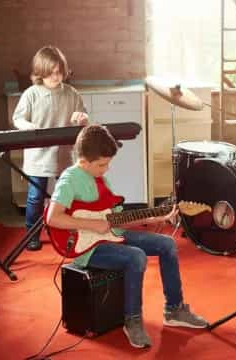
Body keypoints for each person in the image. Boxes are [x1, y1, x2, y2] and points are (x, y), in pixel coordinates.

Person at [45, 124, 208, 348]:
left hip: (111, 235)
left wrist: (156, 217)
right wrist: (92, 223)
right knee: (135, 257)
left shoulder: (101, 179)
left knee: (167, 244)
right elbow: (53, 218)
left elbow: (116, 220)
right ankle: (132, 320)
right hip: (86, 248)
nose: (107, 169)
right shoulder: (69, 179)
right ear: (84, 161)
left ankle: (174, 309)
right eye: (102, 164)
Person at [13, 45, 88, 251]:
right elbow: (18, 118)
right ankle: (32, 235)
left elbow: (83, 115)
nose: (57, 77)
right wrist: (29, 127)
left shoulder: (71, 93)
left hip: (64, 155)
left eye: (60, 72)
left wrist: (82, 118)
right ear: (41, 72)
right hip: (39, 156)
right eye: (52, 73)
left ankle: (67, 231)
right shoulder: (31, 94)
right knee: (36, 197)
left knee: (66, 195)